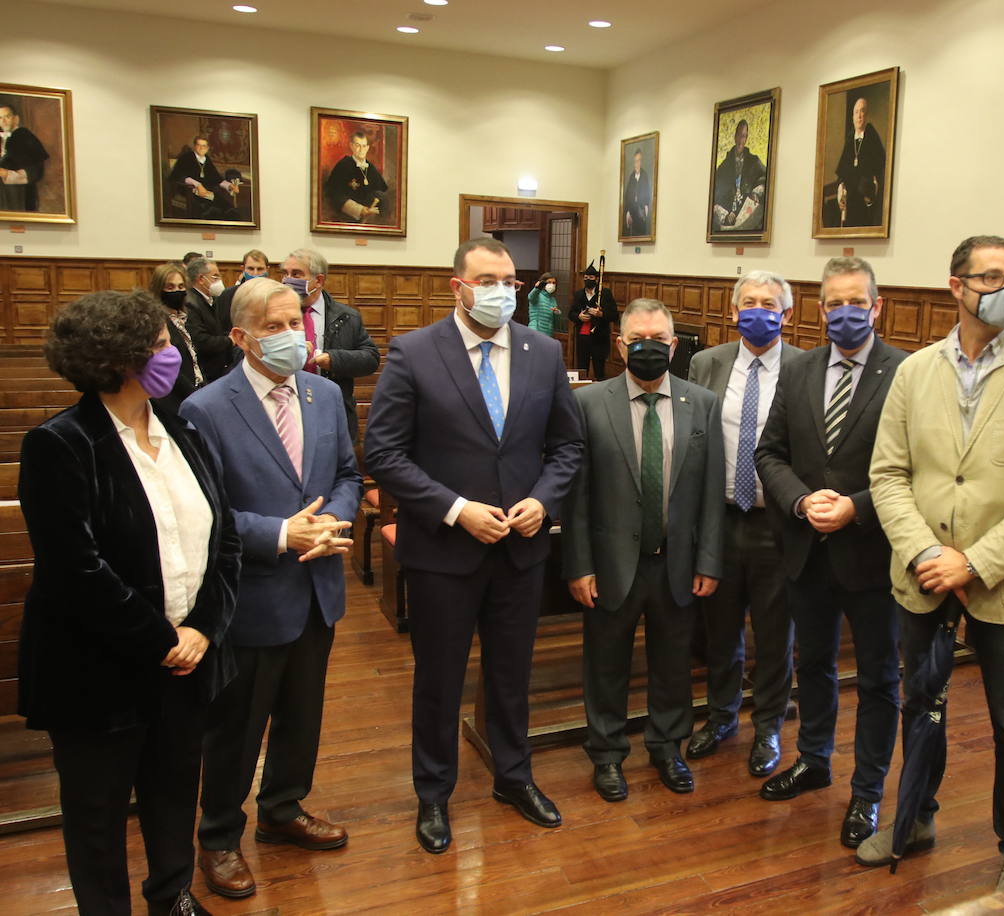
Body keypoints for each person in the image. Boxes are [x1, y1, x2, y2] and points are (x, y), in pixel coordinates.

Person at [865, 235, 1004, 889]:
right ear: (955, 286)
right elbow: (888, 476)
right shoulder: (915, 371)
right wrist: (929, 553)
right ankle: (916, 818)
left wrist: (975, 562)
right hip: (925, 577)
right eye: (992, 277)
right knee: (923, 706)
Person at [19, 289, 238, 916]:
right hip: (98, 671)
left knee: (174, 791)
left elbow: (222, 540)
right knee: (98, 813)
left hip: (186, 660)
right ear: (123, 359)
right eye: (164, 345)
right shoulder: (61, 444)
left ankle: (172, 897)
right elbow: (75, 571)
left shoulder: (182, 428)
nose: (176, 355)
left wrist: (201, 628)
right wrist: (162, 639)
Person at [365, 238, 583, 852]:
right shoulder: (413, 353)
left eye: (510, 282)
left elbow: (567, 447)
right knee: (439, 677)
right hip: (444, 553)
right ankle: (433, 794)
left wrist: (544, 500)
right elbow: (383, 453)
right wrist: (456, 510)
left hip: (520, 548)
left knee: (512, 674)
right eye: (488, 280)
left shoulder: (543, 352)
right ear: (456, 286)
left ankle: (514, 776)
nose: (501, 292)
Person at [183, 278, 361, 901]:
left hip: (318, 585)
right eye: (276, 328)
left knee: (302, 714)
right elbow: (204, 513)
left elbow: (346, 473)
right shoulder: (206, 408)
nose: (293, 338)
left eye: (297, 325)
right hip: (253, 594)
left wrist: (331, 522)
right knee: (236, 726)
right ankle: (219, 836)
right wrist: (282, 534)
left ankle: (284, 809)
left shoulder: (326, 393)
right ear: (241, 337)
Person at [754, 256, 904, 849]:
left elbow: (917, 468)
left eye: (856, 301)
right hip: (806, 550)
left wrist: (854, 507)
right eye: (834, 303)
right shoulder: (798, 370)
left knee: (878, 678)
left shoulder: (907, 372)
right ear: (819, 310)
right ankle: (814, 759)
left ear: (876, 305)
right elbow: (770, 453)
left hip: (871, 552)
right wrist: (799, 502)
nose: (846, 312)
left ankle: (867, 792)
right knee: (811, 665)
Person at [563, 298, 725, 802]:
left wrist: (709, 560)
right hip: (611, 564)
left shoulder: (702, 403)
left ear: (674, 346)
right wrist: (580, 565)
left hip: (677, 562)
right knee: (606, 663)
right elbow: (577, 497)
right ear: (620, 344)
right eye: (637, 341)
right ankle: (607, 754)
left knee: (673, 663)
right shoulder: (589, 404)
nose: (648, 349)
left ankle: (666, 747)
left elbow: (711, 491)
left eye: (658, 341)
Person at [685, 271, 802, 778]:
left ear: (787, 314)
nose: (758, 310)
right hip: (721, 518)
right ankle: (721, 716)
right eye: (749, 303)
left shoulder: (805, 368)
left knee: (776, 635)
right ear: (734, 311)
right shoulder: (705, 363)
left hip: (778, 524)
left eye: (769, 303)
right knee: (720, 630)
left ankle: (770, 726)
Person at [279, 248, 380, 444]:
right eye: (285, 273)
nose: (287, 280)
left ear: (319, 281)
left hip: (333, 411)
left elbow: (370, 358)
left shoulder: (347, 316)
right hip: (286, 408)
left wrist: (333, 359)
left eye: (296, 274)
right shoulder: (274, 314)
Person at [192, 250, 266, 384]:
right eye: (251, 269)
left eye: (260, 269)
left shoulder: (274, 295)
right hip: (233, 362)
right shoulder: (227, 295)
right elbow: (222, 328)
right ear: (243, 269)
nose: (255, 273)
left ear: (267, 269)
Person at [148, 261, 203, 414]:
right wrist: (194, 394)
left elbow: (194, 357)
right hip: (174, 398)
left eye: (180, 287)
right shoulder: (157, 322)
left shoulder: (185, 318)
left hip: (195, 389)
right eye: (170, 287)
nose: (177, 291)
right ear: (159, 289)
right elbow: (170, 367)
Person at [832, 97, 886, 228]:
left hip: (866, 201)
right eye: (856, 112)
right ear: (852, 117)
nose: (859, 116)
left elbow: (879, 170)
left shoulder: (872, 138)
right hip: (850, 201)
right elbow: (842, 174)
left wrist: (870, 193)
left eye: (862, 111)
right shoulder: (850, 140)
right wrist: (841, 191)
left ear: (866, 115)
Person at [712, 119, 767, 232]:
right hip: (727, 215)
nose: (741, 140)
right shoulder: (724, 166)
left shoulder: (754, 161)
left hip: (746, 212)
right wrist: (725, 215)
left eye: (744, 136)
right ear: (735, 136)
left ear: (746, 139)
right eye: (740, 136)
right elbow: (714, 197)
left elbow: (766, 179)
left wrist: (756, 192)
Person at [168, 136, 240, 221]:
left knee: (227, 207)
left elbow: (216, 178)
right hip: (189, 191)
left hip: (207, 192)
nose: (201, 148)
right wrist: (197, 184)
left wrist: (230, 186)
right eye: (199, 145)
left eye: (204, 146)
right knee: (211, 209)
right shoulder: (186, 157)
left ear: (207, 148)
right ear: (195, 146)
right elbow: (178, 176)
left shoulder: (207, 159)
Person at [323, 129, 388, 223]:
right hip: (347, 218)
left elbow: (381, 192)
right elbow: (334, 194)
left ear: (367, 148)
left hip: (371, 218)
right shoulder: (343, 165)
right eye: (357, 145)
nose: (361, 149)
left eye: (364, 146)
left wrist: (374, 209)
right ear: (351, 146)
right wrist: (360, 210)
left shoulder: (371, 168)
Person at [568, 262, 619, 380]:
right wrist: (579, 316)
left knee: (599, 369)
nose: (588, 280)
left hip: (599, 337)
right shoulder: (578, 294)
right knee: (581, 367)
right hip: (582, 337)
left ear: (596, 279)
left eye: (591, 278)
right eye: (585, 278)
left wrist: (601, 314)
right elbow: (571, 314)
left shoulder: (605, 294)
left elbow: (614, 315)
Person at [0, 101, 49, 212]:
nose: (3, 121)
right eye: (0, 118)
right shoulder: (1, 138)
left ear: (16, 118)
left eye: (7, 116)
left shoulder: (24, 137)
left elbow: (35, 172)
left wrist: (5, 173)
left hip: (19, 195)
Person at [622, 149, 652, 236]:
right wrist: (628, 212)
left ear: (641, 162)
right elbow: (627, 196)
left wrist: (644, 213)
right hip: (632, 212)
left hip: (641, 212)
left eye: (639, 161)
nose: (637, 164)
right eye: (635, 161)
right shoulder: (631, 177)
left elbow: (647, 197)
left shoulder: (644, 176)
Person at [526, 272, 561, 336]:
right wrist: (537, 288)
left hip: (548, 333)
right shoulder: (537, 295)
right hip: (535, 331)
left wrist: (557, 313)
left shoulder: (553, 300)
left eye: (554, 283)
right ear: (543, 283)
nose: (552, 285)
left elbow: (556, 323)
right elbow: (531, 297)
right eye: (549, 282)